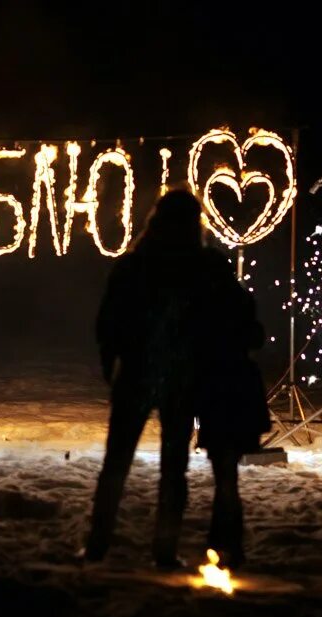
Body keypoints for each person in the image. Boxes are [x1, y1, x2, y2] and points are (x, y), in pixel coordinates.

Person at [80, 187, 240, 569]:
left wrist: (111, 362)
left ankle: (98, 544)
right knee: (173, 466)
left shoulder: (134, 265)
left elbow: (109, 321)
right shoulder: (206, 266)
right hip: (181, 376)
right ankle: (163, 549)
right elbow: (226, 320)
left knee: (117, 461)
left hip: (138, 372)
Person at [195, 267, 270, 570]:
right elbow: (257, 338)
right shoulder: (239, 309)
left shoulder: (206, 314)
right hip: (239, 399)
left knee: (225, 478)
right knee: (228, 479)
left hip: (221, 398)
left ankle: (224, 542)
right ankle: (226, 542)